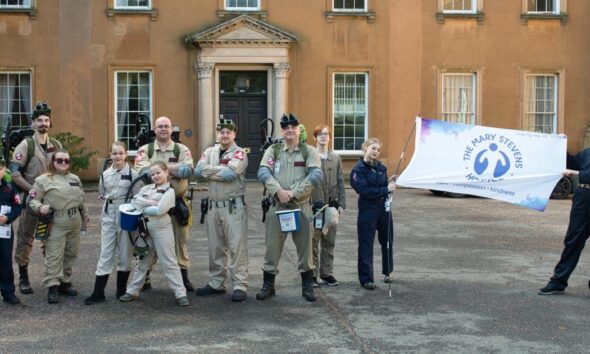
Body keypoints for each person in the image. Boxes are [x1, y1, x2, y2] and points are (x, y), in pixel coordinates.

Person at [256, 113, 323, 302]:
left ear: (298, 129)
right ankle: (268, 285)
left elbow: (315, 176)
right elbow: (263, 171)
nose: (290, 131)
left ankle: (308, 286)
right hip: (277, 207)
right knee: (272, 247)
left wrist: (293, 193)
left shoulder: (308, 151)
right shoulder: (274, 150)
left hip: (300, 207)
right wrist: (278, 191)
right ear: (282, 131)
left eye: (293, 127)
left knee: (305, 249)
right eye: (286, 128)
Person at [134, 116, 195, 291]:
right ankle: (144, 278)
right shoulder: (145, 150)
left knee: (180, 241)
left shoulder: (181, 149)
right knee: (147, 241)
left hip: (177, 204)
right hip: (151, 203)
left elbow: (187, 171)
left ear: (171, 129)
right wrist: (174, 170)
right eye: (160, 126)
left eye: (166, 126)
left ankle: (183, 278)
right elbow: (144, 173)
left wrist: (158, 169)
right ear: (154, 129)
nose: (163, 129)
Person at [119, 161, 190, 306]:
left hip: (161, 229)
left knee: (169, 261)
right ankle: (133, 291)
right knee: (142, 260)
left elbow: (159, 210)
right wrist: (151, 202)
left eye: (158, 172)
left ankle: (180, 293)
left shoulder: (169, 191)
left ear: (166, 172)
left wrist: (144, 205)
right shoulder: (146, 188)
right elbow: (134, 201)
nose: (155, 176)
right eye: (152, 174)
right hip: (144, 228)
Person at [194, 118, 249, 302]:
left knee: (236, 247)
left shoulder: (240, 153)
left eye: (228, 132)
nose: (224, 135)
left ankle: (240, 285)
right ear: (218, 134)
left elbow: (229, 174)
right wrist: (218, 170)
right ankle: (216, 283)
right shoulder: (210, 151)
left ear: (234, 133)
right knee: (215, 247)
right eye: (221, 132)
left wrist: (210, 172)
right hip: (212, 206)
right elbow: (198, 171)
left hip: (233, 207)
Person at [10, 101, 61, 295]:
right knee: (25, 238)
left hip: (51, 201)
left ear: (50, 122)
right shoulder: (26, 145)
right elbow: (15, 174)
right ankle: (23, 277)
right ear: (33, 123)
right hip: (31, 200)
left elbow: (63, 168)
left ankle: (55, 279)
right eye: (39, 120)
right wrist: (33, 190)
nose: (43, 123)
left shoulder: (56, 145)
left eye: (46, 120)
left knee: (52, 239)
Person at [28, 149, 89, 303]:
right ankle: (52, 286)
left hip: (74, 220)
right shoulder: (43, 179)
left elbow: (82, 201)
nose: (63, 163)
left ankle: (64, 282)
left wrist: (85, 219)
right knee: (54, 255)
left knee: (71, 252)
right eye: (59, 160)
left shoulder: (74, 178)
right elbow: (31, 200)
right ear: (53, 162)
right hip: (56, 222)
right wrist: (39, 207)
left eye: (66, 161)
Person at [85, 141, 140, 305]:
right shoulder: (104, 174)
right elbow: (103, 193)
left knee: (125, 252)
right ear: (110, 155)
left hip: (126, 213)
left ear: (126, 155)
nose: (118, 156)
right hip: (109, 213)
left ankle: (121, 290)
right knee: (106, 252)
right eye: (114, 153)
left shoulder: (134, 174)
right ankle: (98, 292)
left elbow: (137, 196)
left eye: (121, 153)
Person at [539, 149, 590, 295]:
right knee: (573, 240)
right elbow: (570, 162)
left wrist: (578, 174)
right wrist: (561, 147)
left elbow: (584, 175)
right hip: (583, 199)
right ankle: (558, 282)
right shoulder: (587, 153)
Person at [350, 138, 396, 290]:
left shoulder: (381, 168)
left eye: (378, 149)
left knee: (387, 241)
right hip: (367, 211)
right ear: (365, 148)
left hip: (384, 210)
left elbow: (382, 186)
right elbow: (364, 191)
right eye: (373, 148)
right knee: (366, 244)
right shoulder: (358, 170)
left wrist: (389, 182)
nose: (375, 151)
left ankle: (387, 272)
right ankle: (366, 279)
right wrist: (385, 189)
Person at [310, 124, 346, 287]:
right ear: (315, 137)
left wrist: (341, 204)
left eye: (327, 134)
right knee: (313, 241)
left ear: (330, 138)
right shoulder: (310, 157)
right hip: (314, 206)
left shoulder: (336, 158)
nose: (324, 137)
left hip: (331, 206)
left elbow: (340, 182)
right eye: (320, 134)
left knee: (329, 241)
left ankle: (326, 273)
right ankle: (312, 274)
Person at [0, 160, 23, 305]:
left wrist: (8, 217)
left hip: (4, 231)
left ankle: (8, 292)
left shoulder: (9, 187)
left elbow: (17, 206)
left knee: (5, 262)